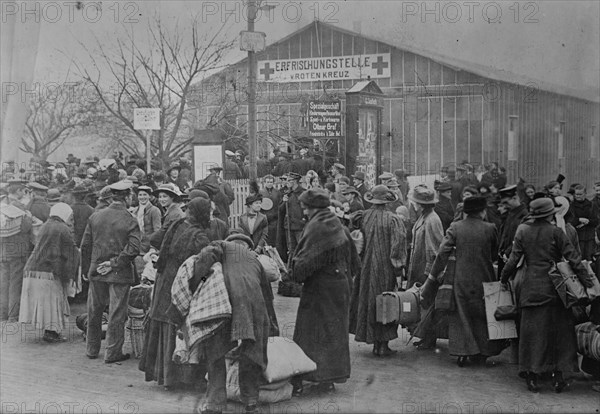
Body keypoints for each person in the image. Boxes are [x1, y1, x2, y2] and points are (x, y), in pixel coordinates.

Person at [500, 197, 595, 393]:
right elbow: (574, 259)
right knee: (560, 333)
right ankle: (559, 376)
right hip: (556, 290)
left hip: (531, 288)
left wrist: (503, 278)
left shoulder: (523, 231)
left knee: (532, 333)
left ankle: (532, 375)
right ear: (551, 213)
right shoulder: (556, 232)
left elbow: (513, 259)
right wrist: (588, 283)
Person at [184, 236, 277, 414]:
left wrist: (196, 282)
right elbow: (268, 297)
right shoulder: (254, 260)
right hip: (253, 307)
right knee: (252, 352)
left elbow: (207, 257)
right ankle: (251, 402)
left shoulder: (221, 245)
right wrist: (270, 327)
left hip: (226, 304)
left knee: (215, 351)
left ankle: (214, 404)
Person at [291, 188, 361, 395]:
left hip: (319, 289)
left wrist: (294, 272)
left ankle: (306, 375)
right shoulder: (339, 224)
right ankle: (329, 378)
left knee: (310, 333)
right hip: (341, 287)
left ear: (313, 208)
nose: (304, 212)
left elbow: (304, 262)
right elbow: (355, 262)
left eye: (305, 208)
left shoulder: (316, 227)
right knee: (334, 333)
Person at [139, 198, 211, 389]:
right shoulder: (200, 236)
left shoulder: (177, 223)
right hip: (180, 285)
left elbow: (154, 239)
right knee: (178, 327)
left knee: (164, 325)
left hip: (163, 281)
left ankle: (164, 377)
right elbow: (202, 266)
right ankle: (179, 379)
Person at [427, 196, 505, 366]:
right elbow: (494, 253)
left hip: (461, 277)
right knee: (482, 314)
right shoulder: (490, 228)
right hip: (485, 276)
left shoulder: (455, 227)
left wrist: (435, 274)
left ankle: (462, 352)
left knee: (461, 313)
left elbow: (442, 253)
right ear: (483, 211)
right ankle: (483, 352)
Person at [80, 180, 141, 363]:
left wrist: (86, 269)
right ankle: (112, 352)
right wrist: (114, 264)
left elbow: (85, 246)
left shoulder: (96, 216)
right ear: (128, 197)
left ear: (112, 197)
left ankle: (92, 349)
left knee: (94, 310)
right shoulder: (130, 220)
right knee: (116, 313)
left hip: (96, 270)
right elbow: (133, 249)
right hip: (119, 273)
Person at [350, 185, 407, 356]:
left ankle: (374, 342)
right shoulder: (393, 219)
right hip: (385, 268)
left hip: (366, 267)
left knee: (368, 300)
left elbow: (354, 229)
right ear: (387, 201)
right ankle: (383, 344)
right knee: (386, 302)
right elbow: (397, 247)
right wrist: (399, 270)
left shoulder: (364, 216)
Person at [19, 203, 79, 342]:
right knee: (52, 301)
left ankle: (49, 331)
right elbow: (70, 250)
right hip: (48, 272)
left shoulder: (46, 225)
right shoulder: (62, 228)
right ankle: (51, 332)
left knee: (44, 303)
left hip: (33, 269)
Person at [405, 185, 445, 350]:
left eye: (415, 202)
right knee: (423, 305)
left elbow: (435, 250)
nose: (413, 204)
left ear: (420, 204)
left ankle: (430, 339)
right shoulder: (424, 216)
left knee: (428, 305)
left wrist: (429, 275)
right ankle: (425, 336)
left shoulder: (432, 220)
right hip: (418, 267)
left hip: (426, 271)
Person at [0, 180, 35, 322]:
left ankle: (2, 314)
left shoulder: (2, 204)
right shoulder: (19, 207)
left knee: (3, 282)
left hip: (3, 249)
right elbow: (26, 227)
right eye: (23, 191)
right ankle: (13, 315)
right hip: (18, 250)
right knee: (15, 283)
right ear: (19, 191)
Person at [497, 185, 528, 275]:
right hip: (504, 257)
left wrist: (507, 252)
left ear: (515, 198)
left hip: (513, 258)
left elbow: (520, 238)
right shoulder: (511, 213)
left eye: (506, 202)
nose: (505, 206)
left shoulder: (524, 215)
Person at [277, 172, 305, 264]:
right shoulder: (287, 193)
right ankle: (291, 270)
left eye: (289, 180)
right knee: (291, 250)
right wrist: (284, 201)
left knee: (302, 249)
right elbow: (280, 210)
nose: (287, 182)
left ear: (295, 181)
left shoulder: (303, 193)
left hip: (300, 226)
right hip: (289, 226)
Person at [149, 183, 185, 249]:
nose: (162, 199)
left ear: (172, 197)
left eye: (165, 196)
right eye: (160, 197)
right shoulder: (170, 211)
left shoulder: (175, 214)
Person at [568, 184, 599, 260]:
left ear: (585, 194)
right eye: (576, 194)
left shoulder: (592, 205)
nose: (578, 196)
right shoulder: (571, 205)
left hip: (589, 237)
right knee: (578, 258)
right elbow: (569, 221)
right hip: (577, 237)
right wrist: (579, 220)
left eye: (580, 194)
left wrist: (588, 221)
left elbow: (596, 221)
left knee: (590, 258)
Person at [131, 185, 162, 255]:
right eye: (140, 195)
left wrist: (153, 247)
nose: (142, 197)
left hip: (148, 247)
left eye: (145, 195)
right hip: (136, 246)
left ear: (149, 196)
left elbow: (157, 231)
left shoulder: (154, 210)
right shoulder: (135, 210)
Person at [259, 175, 281, 247]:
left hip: (275, 219)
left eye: (271, 182)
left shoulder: (277, 192)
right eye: (268, 182)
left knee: (275, 238)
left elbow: (279, 204)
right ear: (264, 183)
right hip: (265, 218)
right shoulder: (260, 193)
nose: (269, 184)